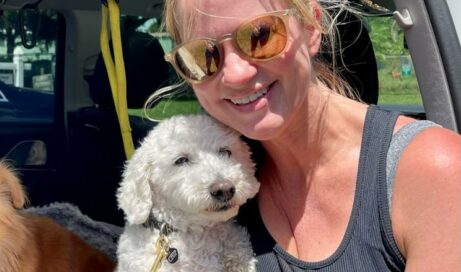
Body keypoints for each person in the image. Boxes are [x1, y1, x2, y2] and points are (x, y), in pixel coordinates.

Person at [153, 0, 461, 270]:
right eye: (202, 56)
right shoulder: (207, 188)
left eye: (260, 35)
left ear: (312, 28)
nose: (236, 74)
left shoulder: (433, 168)